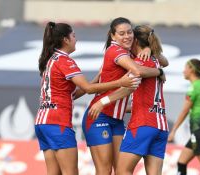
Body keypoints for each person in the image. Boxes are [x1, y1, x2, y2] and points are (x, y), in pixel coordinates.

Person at [34, 21, 138, 175]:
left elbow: (73, 94)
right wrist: (120, 82)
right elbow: (88, 89)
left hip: (42, 122)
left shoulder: (50, 59)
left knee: (53, 172)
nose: (76, 39)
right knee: (71, 172)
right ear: (65, 39)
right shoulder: (65, 61)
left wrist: (98, 78)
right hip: (58, 122)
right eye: (74, 36)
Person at [81, 17, 165, 175]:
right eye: (121, 33)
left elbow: (163, 61)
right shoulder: (116, 51)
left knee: (121, 169)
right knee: (105, 170)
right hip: (100, 115)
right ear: (113, 36)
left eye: (129, 32)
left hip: (117, 120)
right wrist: (159, 71)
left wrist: (147, 49)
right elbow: (138, 73)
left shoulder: (130, 54)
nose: (126, 36)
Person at [167, 58, 200, 175]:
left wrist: (173, 131)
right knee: (181, 163)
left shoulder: (194, 87)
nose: (183, 71)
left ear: (191, 69)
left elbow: (185, 111)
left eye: (185, 68)